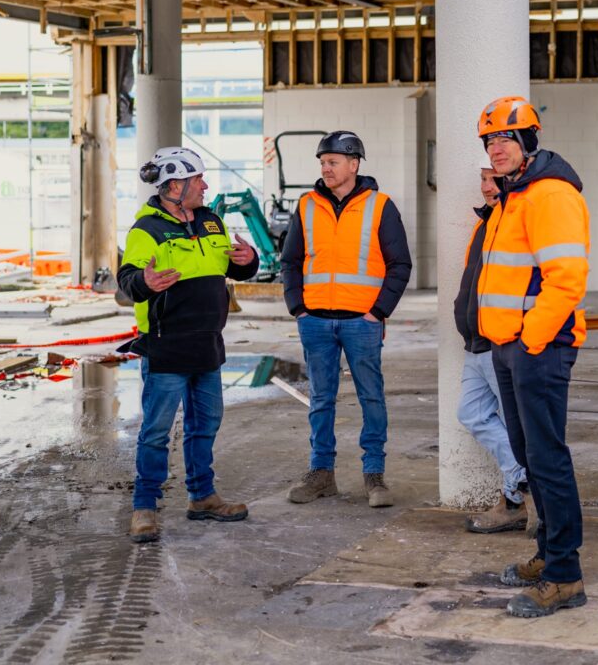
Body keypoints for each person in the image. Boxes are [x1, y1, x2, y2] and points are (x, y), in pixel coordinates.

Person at [475, 96, 591, 618]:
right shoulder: (512, 197)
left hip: (537, 349)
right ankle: (548, 556)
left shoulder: (549, 195)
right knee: (530, 458)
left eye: (504, 138)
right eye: (489, 140)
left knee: (548, 458)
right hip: (510, 347)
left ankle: (565, 575)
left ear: (528, 142)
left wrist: (531, 342)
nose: (495, 148)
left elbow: (566, 279)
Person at [116, 146, 259, 543]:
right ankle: (144, 507)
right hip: (167, 347)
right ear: (174, 186)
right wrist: (145, 283)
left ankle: (202, 497)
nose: (205, 186)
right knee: (156, 432)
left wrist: (248, 260)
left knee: (206, 425)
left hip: (208, 346)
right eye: (198, 180)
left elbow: (230, 264)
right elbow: (127, 281)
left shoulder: (212, 222)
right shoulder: (147, 230)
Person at [280, 131, 412, 508]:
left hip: (362, 322)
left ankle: (374, 476)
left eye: (334, 161)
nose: (326, 167)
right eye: (323, 161)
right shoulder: (306, 205)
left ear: (354, 165)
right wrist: (298, 308)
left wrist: (378, 311)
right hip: (316, 321)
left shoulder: (380, 206)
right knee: (321, 400)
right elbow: (290, 261)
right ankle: (321, 474)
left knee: (371, 398)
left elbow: (400, 264)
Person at [454, 160, 535, 535]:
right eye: (482, 178)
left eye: (492, 178)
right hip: (476, 343)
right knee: (472, 414)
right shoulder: (487, 221)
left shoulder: (517, 219)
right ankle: (520, 484)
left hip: (501, 342)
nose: (487, 186)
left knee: (524, 428)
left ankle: (520, 499)